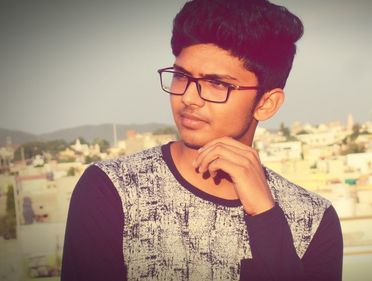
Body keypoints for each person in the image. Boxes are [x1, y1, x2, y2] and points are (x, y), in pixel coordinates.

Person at [61, 0, 343, 280]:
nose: (188, 98)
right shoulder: (112, 188)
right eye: (181, 76)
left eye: (217, 84)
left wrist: (265, 216)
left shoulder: (313, 219)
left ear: (266, 104)